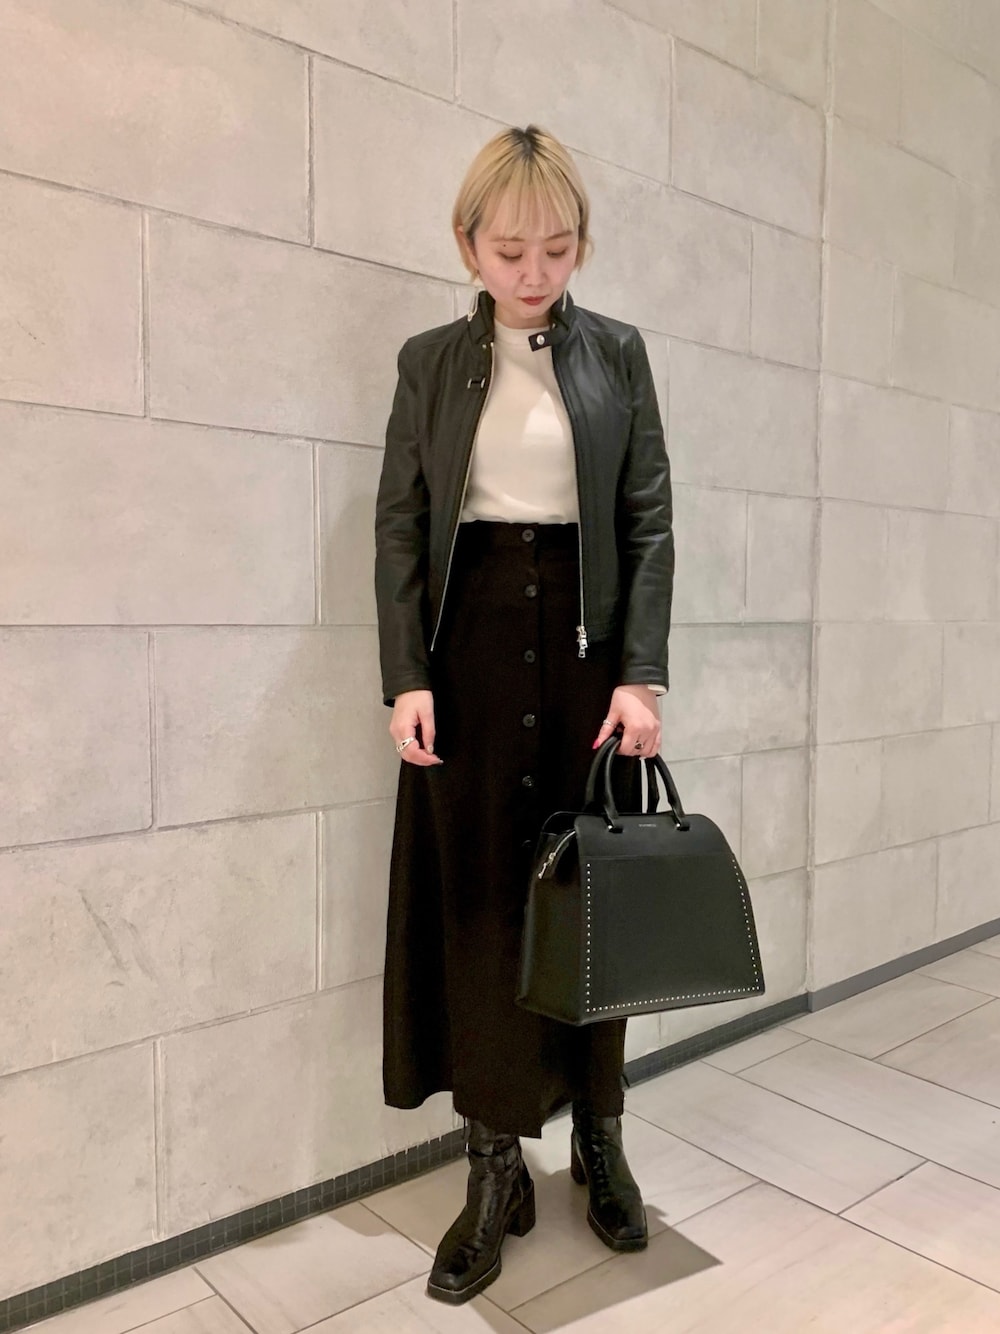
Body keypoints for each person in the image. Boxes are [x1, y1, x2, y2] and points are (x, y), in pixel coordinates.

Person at [374, 124, 674, 1305]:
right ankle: (493, 1163)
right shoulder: (427, 363)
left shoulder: (619, 354)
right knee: (485, 903)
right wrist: (407, 673)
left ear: (580, 244)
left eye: (556, 248)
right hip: (470, 655)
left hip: (589, 658)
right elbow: (402, 522)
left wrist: (641, 674)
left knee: (594, 904)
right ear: (468, 245)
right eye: (510, 250)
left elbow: (647, 518)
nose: (534, 270)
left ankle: (599, 1133)